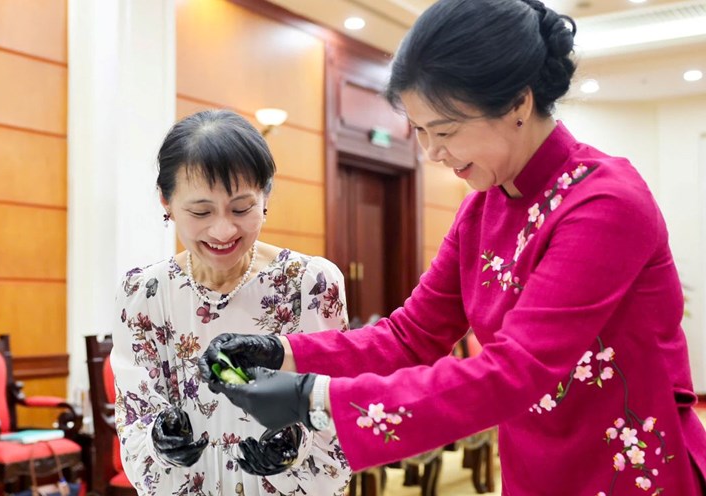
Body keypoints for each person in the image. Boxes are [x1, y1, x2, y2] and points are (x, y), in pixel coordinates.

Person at [199, 0, 706, 494]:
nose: (432, 153)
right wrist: (284, 352)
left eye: (445, 130)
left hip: (633, 470)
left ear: (518, 104)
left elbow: (514, 371)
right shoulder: (482, 209)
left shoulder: (603, 203)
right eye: (419, 130)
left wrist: (315, 398)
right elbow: (409, 337)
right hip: (535, 468)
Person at [111, 109, 352, 496]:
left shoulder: (310, 282)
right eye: (200, 211)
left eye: (241, 208)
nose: (223, 230)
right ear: (166, 202)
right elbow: (136, 406)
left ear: (266, 196)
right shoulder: (143, 292)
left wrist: (294, 444)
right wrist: (160, 440)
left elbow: (336, 400)